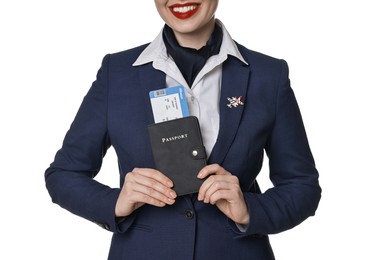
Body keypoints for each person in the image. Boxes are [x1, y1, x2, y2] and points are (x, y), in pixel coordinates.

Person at [45, 1, 321, 259]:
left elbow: (302, 186)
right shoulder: (116, 73)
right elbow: (64, 175)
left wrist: (249, 210)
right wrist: (117, 202)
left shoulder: (268, 75)